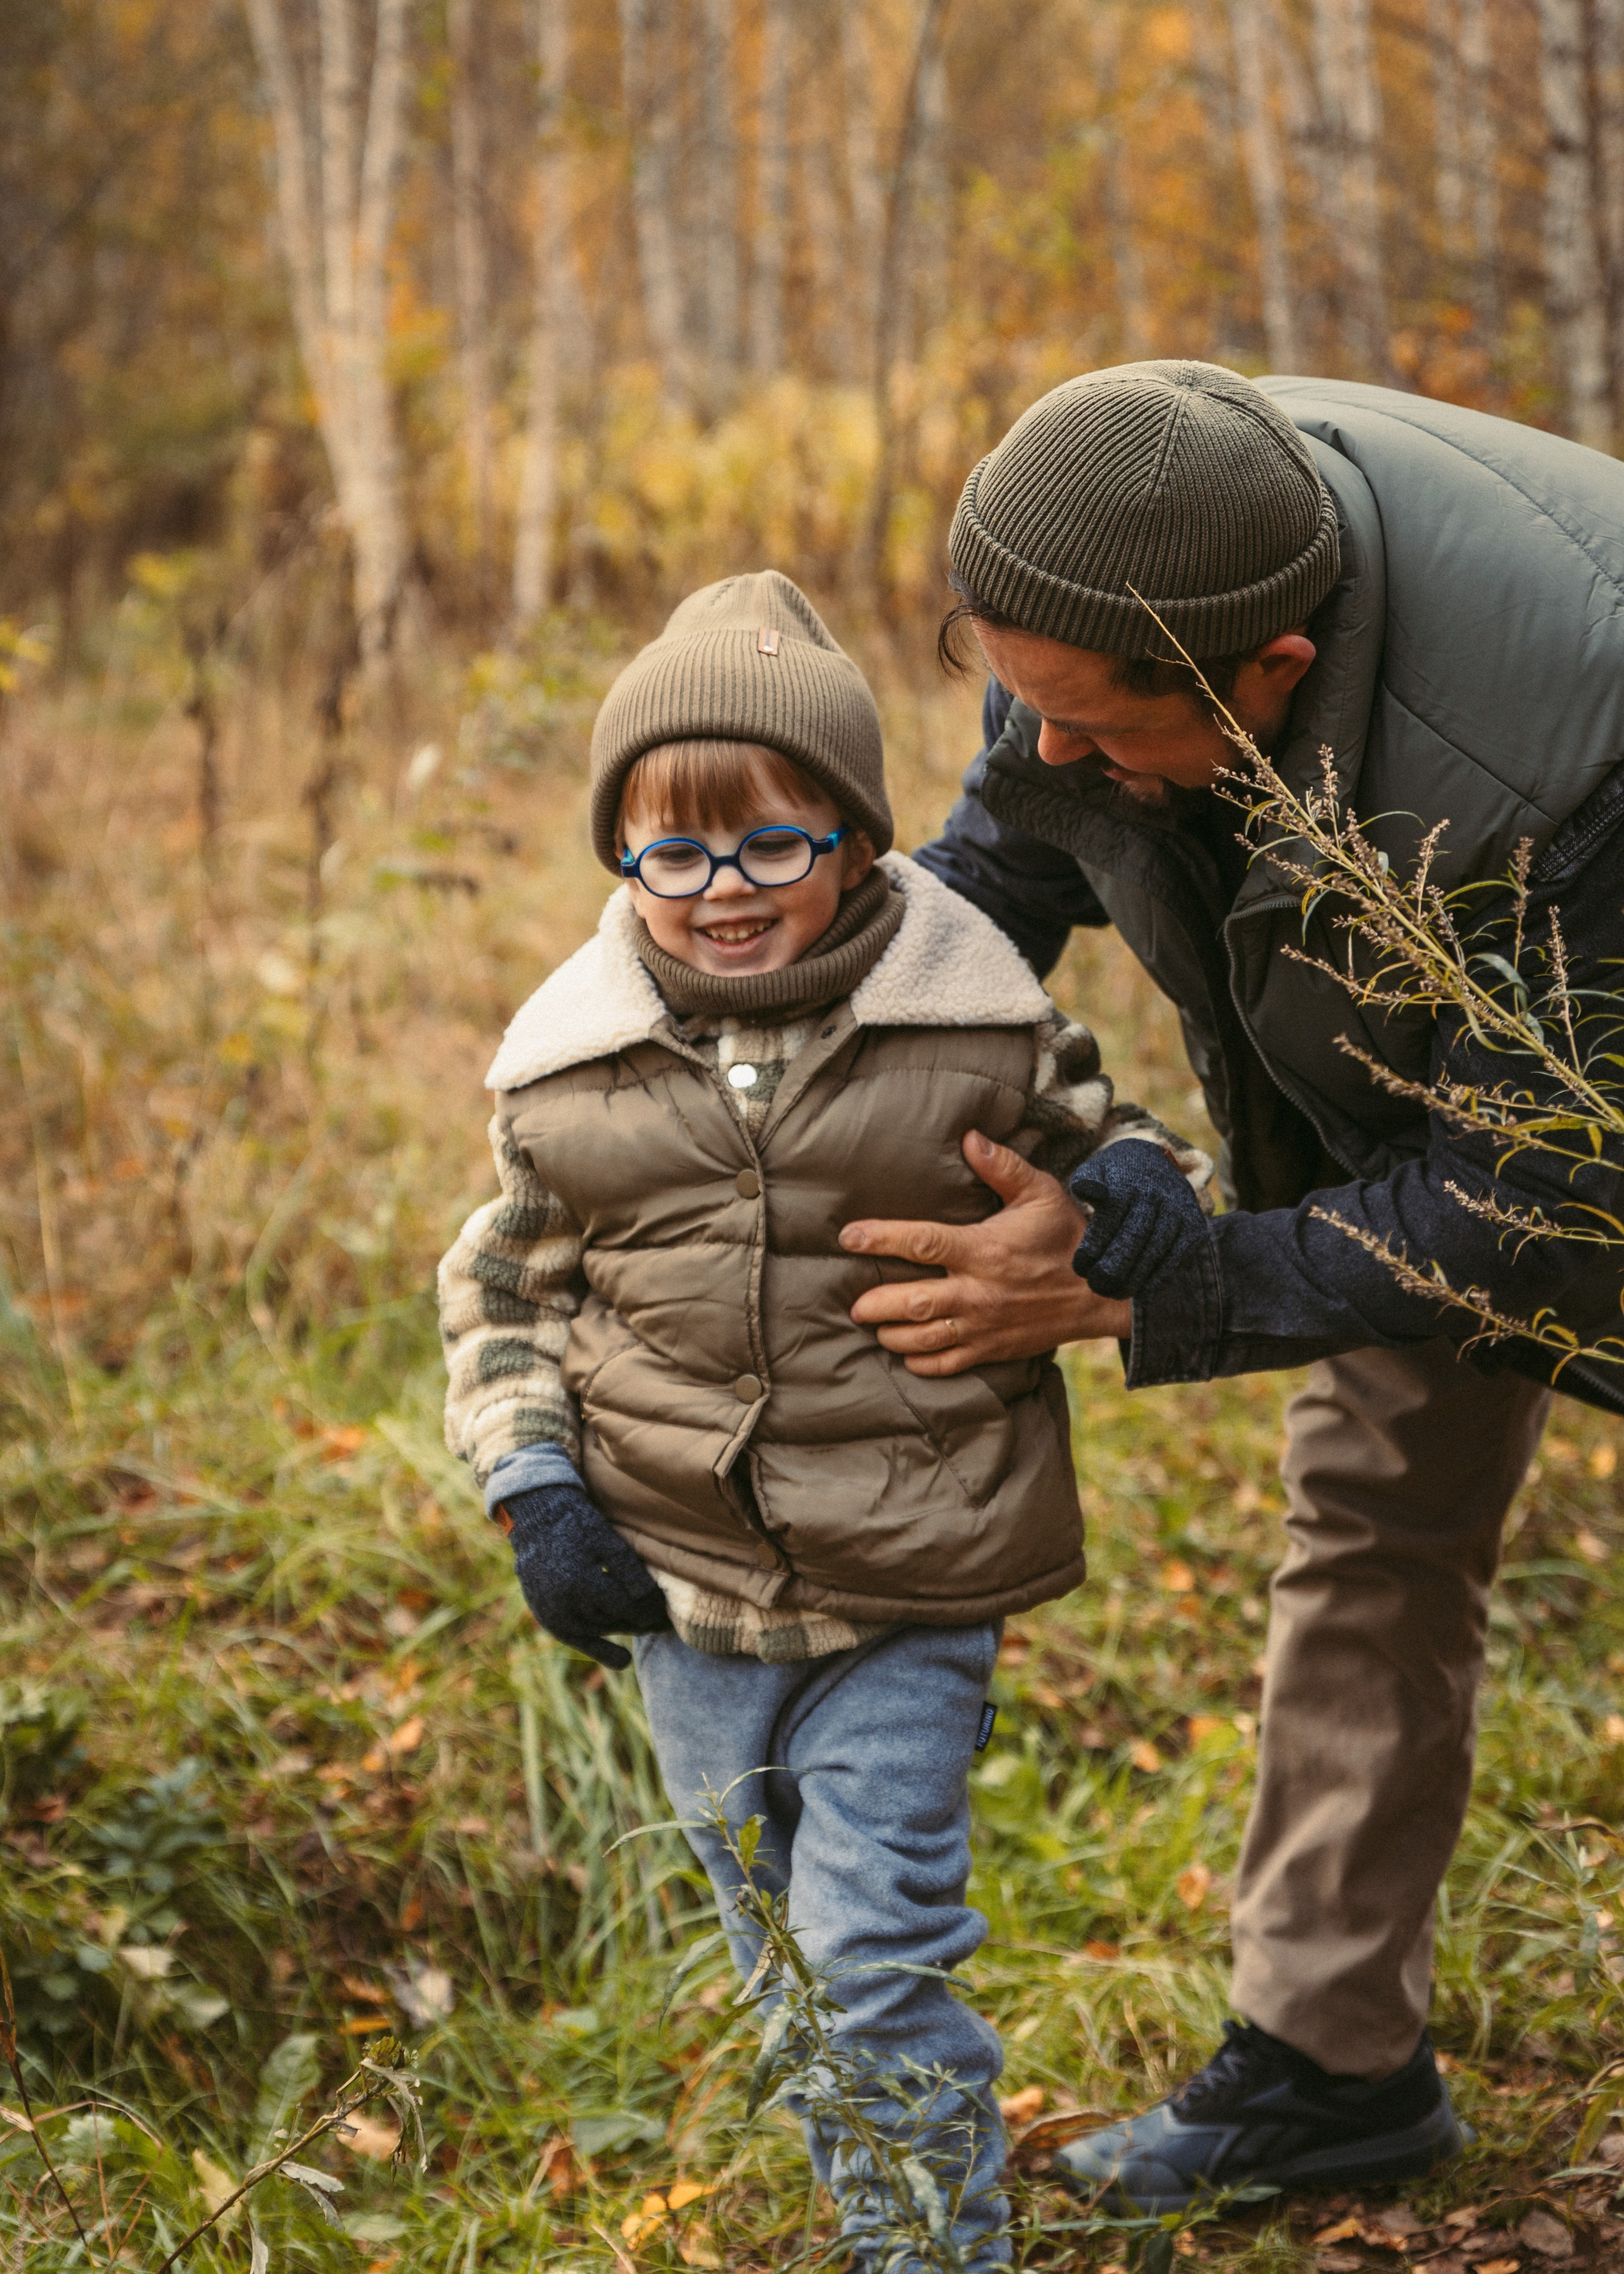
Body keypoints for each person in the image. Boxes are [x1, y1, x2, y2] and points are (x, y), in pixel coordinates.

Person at [835, 360, 1624, 2210]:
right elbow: (996, 875)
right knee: (1376, 1511)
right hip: (1432, 1090)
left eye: (1090, 725)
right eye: (1014, 699)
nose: (1042, 753)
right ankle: (1331, 2070)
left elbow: (1537, 1209)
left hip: (1572, 1097)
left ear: (1271, 670)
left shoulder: (1573, 760)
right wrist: (778, 1058)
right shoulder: (1111, 545)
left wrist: (1131, 1288)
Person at [437, 570, 1209, 2268]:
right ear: (621, 859)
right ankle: (884, 2214)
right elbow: (501, 1298)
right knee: (782, 1961)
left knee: (870, 1950)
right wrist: (534, 1490)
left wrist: (1144, 1185)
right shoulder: (569, 1075)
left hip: (914, 1583)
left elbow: (1111, 1133)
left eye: (772, 843)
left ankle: (933, 2249)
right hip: (686, 1599)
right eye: (674, 853)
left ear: (856, 841)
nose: (723, 890)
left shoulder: (972, 1020)